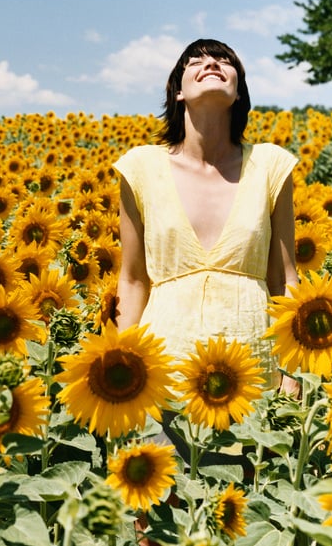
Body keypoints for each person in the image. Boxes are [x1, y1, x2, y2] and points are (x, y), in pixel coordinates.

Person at [113, 38, 298, 386]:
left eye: (224, 61)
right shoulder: (141, 167)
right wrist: (123, 369)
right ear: (177, 92)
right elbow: (133, 279)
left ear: (239, 92)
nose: (211, 64)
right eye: (196, 61)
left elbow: (284, 279)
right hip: (163, 371)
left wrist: (292, 373)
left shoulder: (270, 165)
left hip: (255, 371)